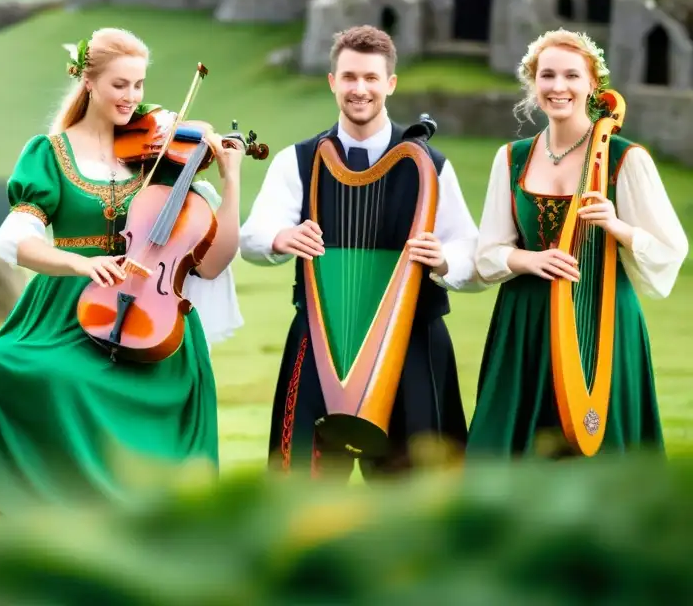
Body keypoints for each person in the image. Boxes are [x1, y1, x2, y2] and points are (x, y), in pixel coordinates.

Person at [0, 27, 245, 510]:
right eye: (120, 85)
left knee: (78, 387)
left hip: (153, 317)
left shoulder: (164, 154)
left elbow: (214, 262)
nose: (133, 98)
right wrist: (79, 262)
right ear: (88, 82)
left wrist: (232, 178)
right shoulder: (50, 153)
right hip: (63, 310)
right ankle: (33, 508)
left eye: (139, 85)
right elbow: (14, 240)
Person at [238, 25, 484, 481]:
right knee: (300, 487)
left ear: (390, 83)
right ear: (332, 81)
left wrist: (445, 259)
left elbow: (472, 254)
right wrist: (280, 239)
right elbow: (252, 235)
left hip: (412, 338)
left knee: (418, 490)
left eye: (371, 78)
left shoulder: (432, 165)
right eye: (349, 77)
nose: (360, 89)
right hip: (319, 334)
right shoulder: (298, 159)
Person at [467, 28, 688, 458]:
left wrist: (617, 227)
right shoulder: (510, 158)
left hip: (605, 317)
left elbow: (670, 247)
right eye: (547, 75)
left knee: (602, 443)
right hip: (525, 321)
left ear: (593, 85)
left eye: (572, 75)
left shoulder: (626, 158)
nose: (558, 86)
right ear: (534, 84)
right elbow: (488, 253)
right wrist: (530, 260)